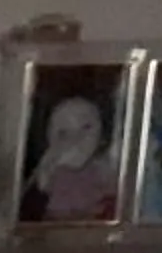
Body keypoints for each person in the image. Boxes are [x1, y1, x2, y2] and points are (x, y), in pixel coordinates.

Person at [27, 95, 118, 223]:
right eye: (63, 133)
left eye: (86, 127)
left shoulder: (107, 168)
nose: (76, 139)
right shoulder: (50, 174)